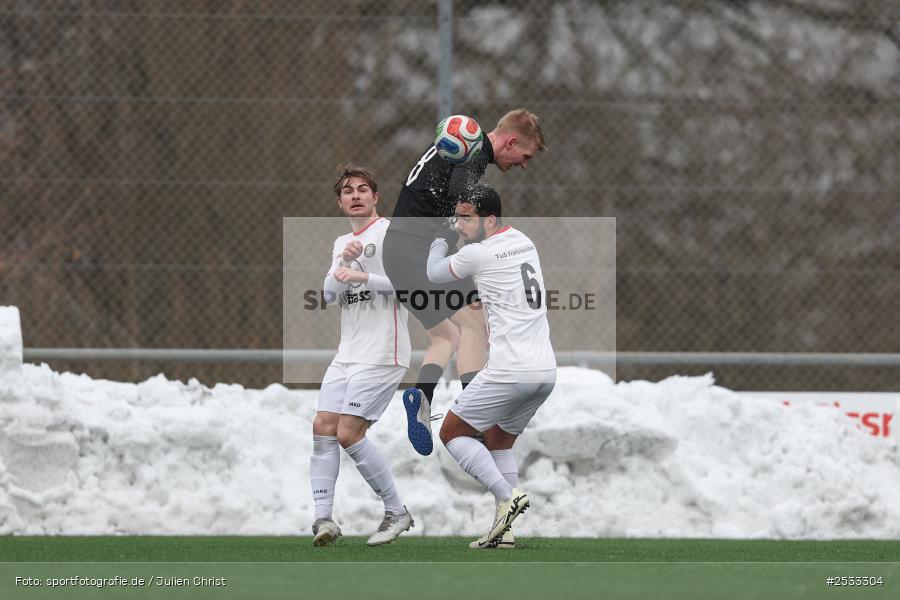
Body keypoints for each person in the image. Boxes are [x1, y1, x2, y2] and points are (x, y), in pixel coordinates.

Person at [383, 108, 547, 456]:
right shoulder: (472, 151)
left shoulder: (459, 145)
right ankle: (474, 417)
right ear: (510, 142)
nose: (524, 164)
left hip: (395, 249)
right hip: (416, 250)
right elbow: (461, 194)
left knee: (447, 335)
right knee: (476, 323)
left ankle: (422, 398)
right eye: (526, 156)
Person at [425, 184, 556, 550]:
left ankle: (507, 495)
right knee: (498, 440)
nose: (459, 224)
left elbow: (434, 272)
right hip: (545, 372)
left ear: (491, 219)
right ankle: (505, 530)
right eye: (457, 217)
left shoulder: (478, 253)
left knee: (452, 433)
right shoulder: (523, 240)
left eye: (466, 218)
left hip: (510, 371)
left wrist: (439, 237)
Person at [309, 164, 414, 547]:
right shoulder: (342, 242)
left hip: (384, 351)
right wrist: (344, 263)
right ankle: (323, 519)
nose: (355, 195)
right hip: (348, 353)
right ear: (340, 202)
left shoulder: (390, 233)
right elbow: (329, 295)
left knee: (349, 432)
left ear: (375, 197)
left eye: (362, 189)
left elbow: (411, 288)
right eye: (348, 191)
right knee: (323, 426)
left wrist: (363, 276)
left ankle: (397, 511)